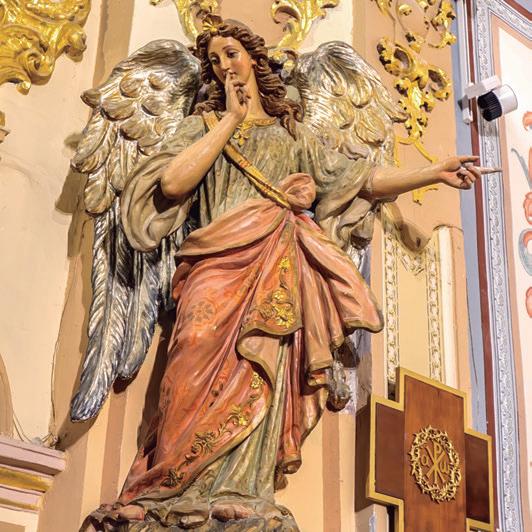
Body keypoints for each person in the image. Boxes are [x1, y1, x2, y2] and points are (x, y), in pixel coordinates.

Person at [84, 16, 487, 531]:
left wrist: (430, 172)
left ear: (254, 60)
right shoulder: (201, 128)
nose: (224, 66)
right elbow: (173, 183)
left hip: (274, 267)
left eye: (232, 54)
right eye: (214, 61)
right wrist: (229, 121)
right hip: (214, 266)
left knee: (261, 373)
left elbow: (358, 179)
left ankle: (239, 488)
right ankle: (171, 483)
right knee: (191, 352)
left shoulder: (293, 136)